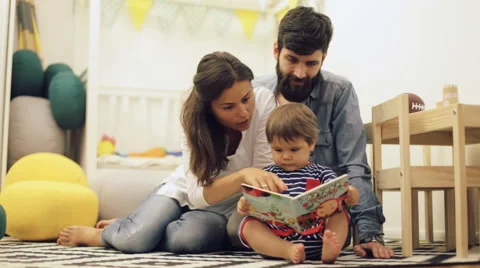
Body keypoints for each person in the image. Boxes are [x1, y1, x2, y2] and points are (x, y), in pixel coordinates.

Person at [56, 51, 287, 254]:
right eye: (228, 107)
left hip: (231, 206)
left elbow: (262, 173)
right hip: (187, 192)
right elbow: (197, 195)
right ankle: (114, 233)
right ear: (209, 109)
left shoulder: (264, 101)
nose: (244, 112)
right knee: (133, 240)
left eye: (247, 98)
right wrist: (243, 175)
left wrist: (248, 179)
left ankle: (140, 226)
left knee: (184, 239)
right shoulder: (194, 120)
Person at [228, 6, 395, 259]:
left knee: (340, 218)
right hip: (271, 217)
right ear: (276, 50)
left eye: (311, 63)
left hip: (323, 218)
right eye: (291, 59)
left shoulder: (339, 91)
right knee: (234, 228)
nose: (300, 73)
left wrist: (369, 233)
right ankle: (284, 248)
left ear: (323, 58)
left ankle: (324, 249)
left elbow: (355, 167)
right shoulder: (254, 93)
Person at [237, 103, 360, 264]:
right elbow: (254, 199)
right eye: (278, 150)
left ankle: (329, 251)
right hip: (277, 238)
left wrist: (350, 194)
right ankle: (287, 250)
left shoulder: (321, 173)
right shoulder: (267, 174)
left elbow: (344, 195)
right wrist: (245, 204)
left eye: (294, 150)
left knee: (340, 214)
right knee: (249, 225)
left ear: (311, 144)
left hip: (318, 236)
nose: (286, 156)